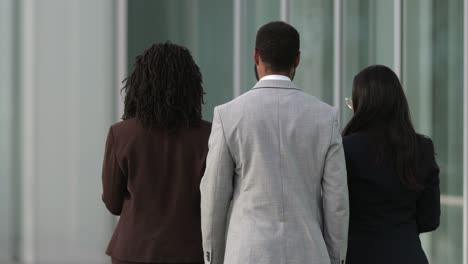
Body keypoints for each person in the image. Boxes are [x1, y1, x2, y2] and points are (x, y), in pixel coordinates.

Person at [200, 21, 349, 264]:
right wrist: (335, 258)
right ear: (297, 59)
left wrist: (212, 258)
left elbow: (214, 197)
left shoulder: (228, 115)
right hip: (309, 253)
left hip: (247, 254)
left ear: (256, 56)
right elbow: (337, 201)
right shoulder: (325, 117)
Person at [101, 42, 211, 264]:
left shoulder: (121, 134)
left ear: (139, 85)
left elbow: (112, 203)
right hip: (189, 252)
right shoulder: (210, 135)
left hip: (131, 252)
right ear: (191, 86)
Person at [342, 65, 440, 264]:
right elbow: (430, 219)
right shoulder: (422, 147)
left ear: (361, 105)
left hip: (360, 255)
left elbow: (335, 211)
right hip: (409, 255)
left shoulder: (346, 148)